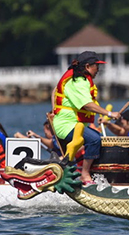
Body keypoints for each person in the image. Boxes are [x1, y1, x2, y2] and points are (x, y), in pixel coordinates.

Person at [51, 51, 121, 184]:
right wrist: (110, 114)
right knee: (94, 140)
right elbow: (87, 105)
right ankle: (85, 175)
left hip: (75, 125)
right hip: (66, 125)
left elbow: (55, 90)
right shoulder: (77, 81)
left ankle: (78, 171)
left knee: (97, 139)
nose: (98, 69)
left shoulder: (80, 80)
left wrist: (54, 109)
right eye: (97, 66)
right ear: (88, 66)